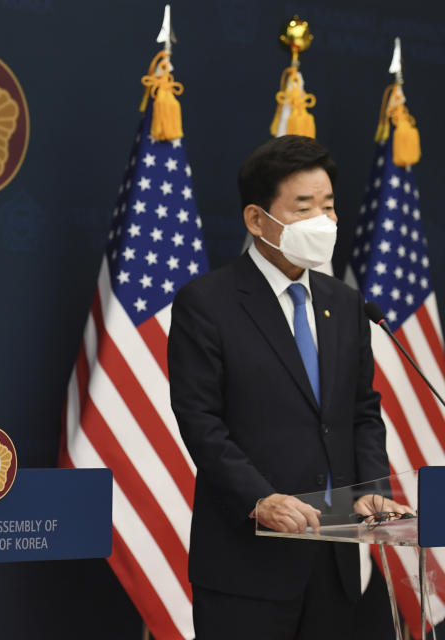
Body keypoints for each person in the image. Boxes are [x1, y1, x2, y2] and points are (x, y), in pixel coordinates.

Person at [167, 135, 411, 639]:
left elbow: (362, 411)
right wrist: (261, 499)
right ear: (257, 220)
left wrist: (371, 490)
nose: (323, 221)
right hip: (249, 564)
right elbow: (201, 423)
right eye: (304, 208)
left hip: (339, 560)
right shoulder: (207, 303)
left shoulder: (346, 304)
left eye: (328, 206)